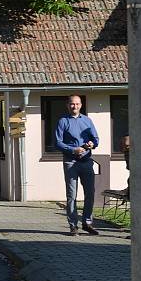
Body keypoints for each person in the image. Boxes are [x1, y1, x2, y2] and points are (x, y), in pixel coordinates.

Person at [55, 95, 100, 236]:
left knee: (90, 194)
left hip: (86, 162)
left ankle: (87, 223)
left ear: (81, 105)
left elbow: (96, 139)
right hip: (71, 162)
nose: (75, 106)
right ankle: (73, 226)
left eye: (77, 104)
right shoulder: (63, 121)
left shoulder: (87, 120)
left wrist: (93, 143)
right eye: (72, 104)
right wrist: (73, 150)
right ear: (67, 105)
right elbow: (58, 142)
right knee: (71, 195)